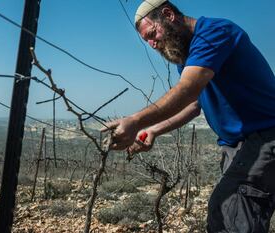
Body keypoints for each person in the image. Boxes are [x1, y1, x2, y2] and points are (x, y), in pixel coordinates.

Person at [102, 0, 275, 232]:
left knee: (229, 215)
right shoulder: (187, 57)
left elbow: (187, 90)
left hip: (264, 137)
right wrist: (153, 130)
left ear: (168, 14)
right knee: (238, 215)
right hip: (240, 146)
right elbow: (194, 104)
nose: (153, 44)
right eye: (147, 41)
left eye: (152, 34)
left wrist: (135, 121)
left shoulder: (213, 33)